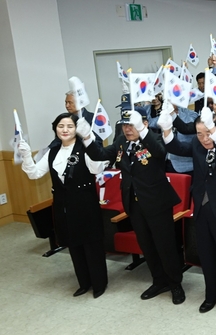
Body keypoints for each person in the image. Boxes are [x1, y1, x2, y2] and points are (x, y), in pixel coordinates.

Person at [78, 107, 185, 304]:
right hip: (134, 204)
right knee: (147, 245)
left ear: (143, 124)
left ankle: (175, 283)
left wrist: (143, 132)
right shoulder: (121, 142)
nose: (127, 129)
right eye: (125, 125)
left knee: (165, 245)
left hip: (157, 203)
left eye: (132, 125)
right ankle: (159, 280)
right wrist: (86, 137)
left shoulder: (155, 138)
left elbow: (160, 153)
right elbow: (100, 154)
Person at [159, 106, 216, 314]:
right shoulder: (196, 143)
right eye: (200, 134)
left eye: (208, 133)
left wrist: (215, 133)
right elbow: (177, 148)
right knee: (206, 255)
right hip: (202, 207)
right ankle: (212, 293)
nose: (203, 138)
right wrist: (167, 129)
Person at [18, 113, 108, 298]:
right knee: (74, 244)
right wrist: (27, 156)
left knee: (91, 245)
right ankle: (84, 283)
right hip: (63, 205)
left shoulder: (85, 148)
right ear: (55, 129)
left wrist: (89, 139)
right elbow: (34, 173)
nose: (65, 130)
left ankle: (99, 284)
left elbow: (97, 168)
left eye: (69, 126)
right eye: (61, 126)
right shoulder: (52, 152)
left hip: (85, 204)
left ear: (77, 129)